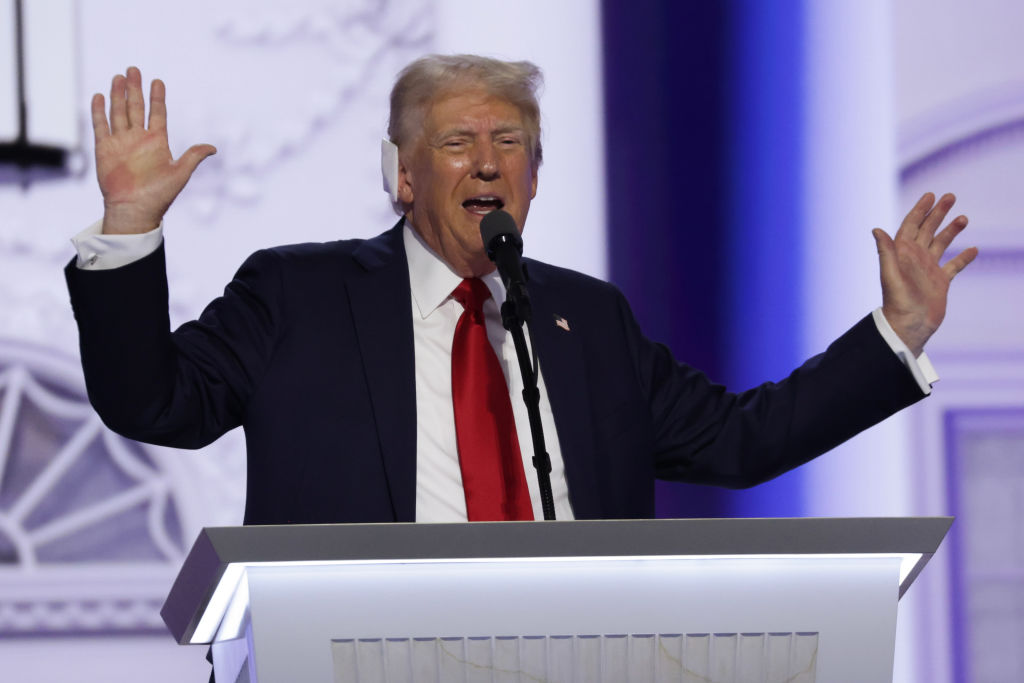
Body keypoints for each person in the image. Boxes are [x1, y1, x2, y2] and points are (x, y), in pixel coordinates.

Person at [65, 55, 977, 526]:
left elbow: (742, 441)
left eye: (510, 144)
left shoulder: (591, 322)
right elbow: (153, 402)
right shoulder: (297, 295)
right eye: (457, 142)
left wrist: (896, 331)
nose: (488, 163)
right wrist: (129, 228)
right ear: (404, 176)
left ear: (534, 178)